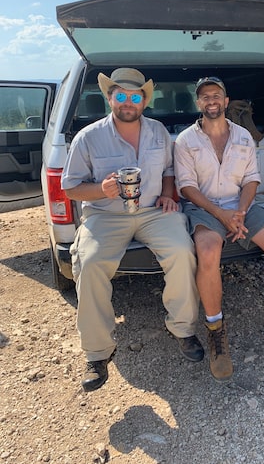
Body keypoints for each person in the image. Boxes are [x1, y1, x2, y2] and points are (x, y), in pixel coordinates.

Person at [61, 68, 203, 392]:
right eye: (120, 95)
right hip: (105, 215)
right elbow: (70, 188)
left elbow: (169, 169)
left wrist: (168, 194)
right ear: (109, 97)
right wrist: (101, 189)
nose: (128, 102)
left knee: (183, 251)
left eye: (135, 96)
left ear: (144, 100)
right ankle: (97, 354)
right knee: (91, 263)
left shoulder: (159, 132)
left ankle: (182, 328)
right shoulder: (88, 137)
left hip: (154, 210)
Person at [174, 76, 264, 383]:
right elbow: (187, 188)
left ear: (225, 101)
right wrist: (222, 215)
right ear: (199, 103)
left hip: (242, 206)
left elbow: (252, 180)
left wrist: (241, 212)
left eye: (216, 96)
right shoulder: (185, 141)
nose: (211, 101)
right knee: (207, 250)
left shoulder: (244, 137)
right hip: (206, 208)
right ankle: (215, 331)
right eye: (205, 97)